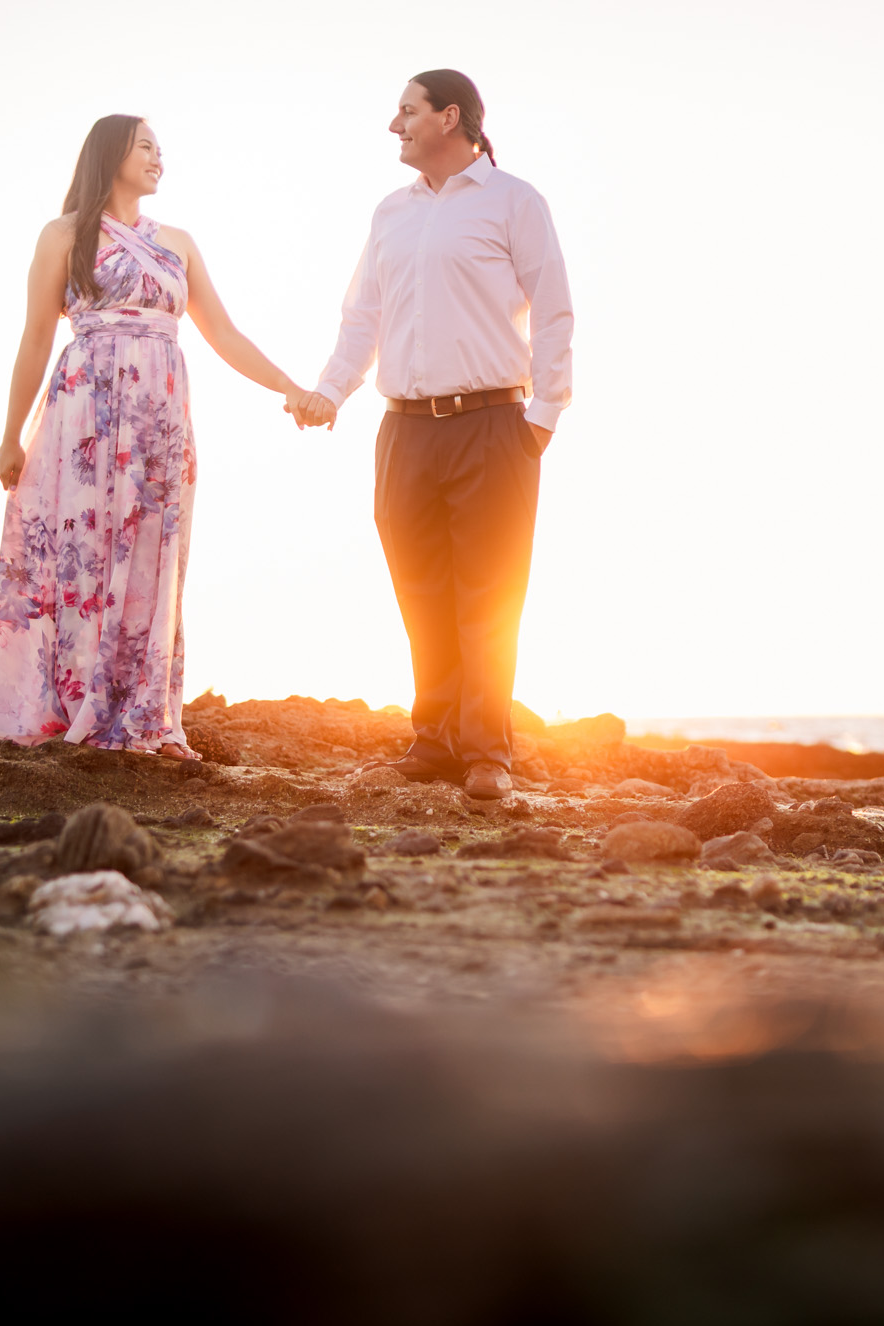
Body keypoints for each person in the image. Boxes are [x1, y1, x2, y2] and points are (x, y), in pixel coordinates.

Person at [0, 115, 322, 758]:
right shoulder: (63, 235)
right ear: (111, 155)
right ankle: (71, 696)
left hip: (160, 420)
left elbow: (224, 335)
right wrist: (9, 435)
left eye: (161, 149)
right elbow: (34, 338)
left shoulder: (179, 243)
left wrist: (290, 388)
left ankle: (139, 706)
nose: (160, 158)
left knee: (151, 556)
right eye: (146, 147)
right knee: (82, 549)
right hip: (85, 411)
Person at [291, 71, 573, 801]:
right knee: (422, 592)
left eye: (407, 111)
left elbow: (553, 308)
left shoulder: (516, 201)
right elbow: (362, 317)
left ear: (451, 118)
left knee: (489, 592)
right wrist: (330, 390)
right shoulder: (391, 212)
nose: (395, 124)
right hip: (404, 429)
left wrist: (544, 412)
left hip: (495, 425)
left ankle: (488, 753)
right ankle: (436, 740)